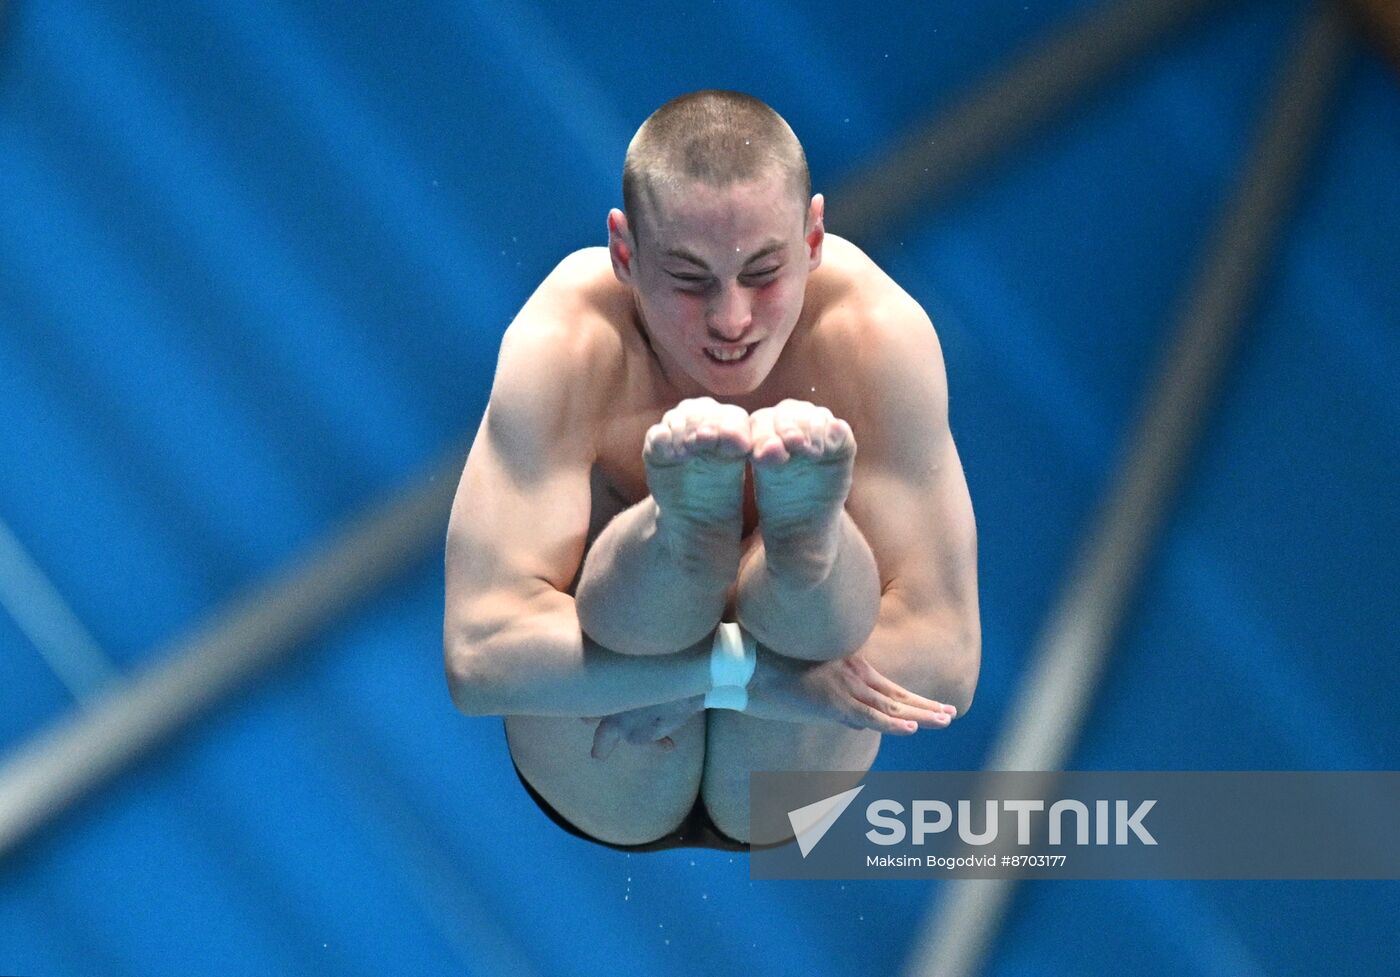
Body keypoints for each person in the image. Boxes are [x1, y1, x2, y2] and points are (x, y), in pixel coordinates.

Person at [443, 90, 980, 852]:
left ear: (815, 235)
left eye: (763, 272)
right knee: (652, 582)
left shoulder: (873, 335)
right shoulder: (566, 338)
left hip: (751, 763)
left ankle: (794, 543)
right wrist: (746, 679)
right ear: (623, 253)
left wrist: (712, 676)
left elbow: (947, 662)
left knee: (801, 583)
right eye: (690, 278)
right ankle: (677, 531)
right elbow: (477, 655)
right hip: (606, 769)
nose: (732, 321)